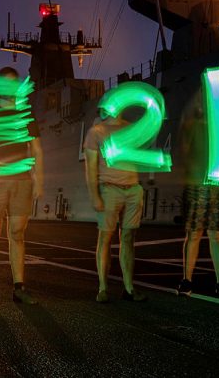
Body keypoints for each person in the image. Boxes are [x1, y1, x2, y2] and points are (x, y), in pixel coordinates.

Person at [0, 67, 44, 306]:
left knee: (17, 233)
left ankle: (19, 288)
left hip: (22, 181)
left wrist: (39, 179)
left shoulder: (26, 113)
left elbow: (36, 148)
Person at [176, 89, 219, 297]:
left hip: (217, 185)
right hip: (197, 185)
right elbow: (184, 150)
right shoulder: (192, 124)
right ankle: (186, 280)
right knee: (194, 234)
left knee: (216, 235)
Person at [83, 108, 146, 303]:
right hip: (109, 188)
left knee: (128, 237)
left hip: (133, 187)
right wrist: (95, 195)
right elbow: (90, 167)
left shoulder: (130, 128)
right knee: (106, 237)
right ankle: (103, 288)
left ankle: (128, 288)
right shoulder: (96, 131)